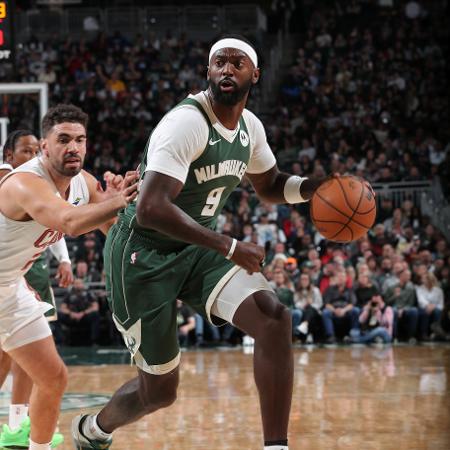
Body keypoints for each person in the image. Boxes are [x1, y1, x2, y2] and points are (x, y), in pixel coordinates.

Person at [72, 35, 326, 450]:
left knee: (273, 318)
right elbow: (150, 208)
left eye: (237, 63)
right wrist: (229, 246)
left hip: (194, 248)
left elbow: (270, 186)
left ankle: (276, 446)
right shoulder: (186, 122)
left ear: (254, 74)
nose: (227, 69)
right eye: (219, 63)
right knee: (159, 393)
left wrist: (321, 187)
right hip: (141, 254)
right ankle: (94, 430)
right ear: (208, 72)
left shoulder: (250, 129)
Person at [0, 104, 138, 450]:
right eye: (63, 139)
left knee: (53, 378)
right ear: (45, 147)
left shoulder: (83, 182)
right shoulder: (24, 183)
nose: (73, 147)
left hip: (9, 286)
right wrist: (117, 201)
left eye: (80, 140)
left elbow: (112, 230)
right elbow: (71, 222)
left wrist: (122, 207)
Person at [0, 130, 74, 448]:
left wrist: (65, 259)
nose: (32, 157)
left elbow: (59, 220)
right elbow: (65, 219)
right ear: (9, 156)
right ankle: (16, 425)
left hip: (18, 277)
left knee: (46, 372)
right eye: (25, 151)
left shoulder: (54, 184)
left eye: (35, 150)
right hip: (12, 272)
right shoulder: (13, 180)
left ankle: (19, 427)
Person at [57, 278, 100, 346]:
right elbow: (63, 308)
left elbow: (95, 307)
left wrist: (83, 313)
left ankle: (94, 341)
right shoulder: (69, 294)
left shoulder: (89, 293)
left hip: (84, 316)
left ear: (83, 284)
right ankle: (60, 341)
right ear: (73, 285)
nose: (78, 285)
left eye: (79, 283)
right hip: (72, 317)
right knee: (57, 316)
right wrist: (71, 313)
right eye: (76, 283)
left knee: (95, 315)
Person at [415, 272, 444, 341]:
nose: (423, 280)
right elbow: (420, 300)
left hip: (436, 308)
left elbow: (441, 304)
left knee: (437, 312)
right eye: (423, 279)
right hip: (423, 307)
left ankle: (436, 333)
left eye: (425, 279)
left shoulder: (439, 291)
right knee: (425, 312)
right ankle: (424, 334)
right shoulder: (419, 289)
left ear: (430, 280)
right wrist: (428, 305)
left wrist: (433, 306)